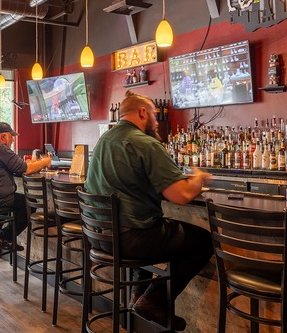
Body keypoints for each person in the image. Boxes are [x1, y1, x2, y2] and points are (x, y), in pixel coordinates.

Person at [84, 91, 213, 331]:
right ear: (142, 112)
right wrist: (198, 178)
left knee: (144, 220)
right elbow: (181, 196)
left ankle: (137, 296)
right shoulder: (145, 142)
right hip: (129, 240)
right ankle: (154, 300)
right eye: (153, 114)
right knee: (203, 240)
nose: (155, 120)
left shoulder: (105, 140)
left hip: (98, 237)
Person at [0, 122, 52, 249]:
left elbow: (16, 167)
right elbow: (25, 169)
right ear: (3, 137)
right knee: (29, 204)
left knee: (7, 199)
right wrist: (45, 161)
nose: (12, 141)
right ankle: (6, 237)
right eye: (11, 137)